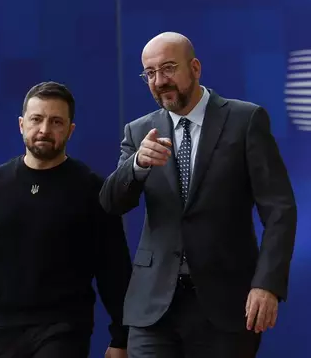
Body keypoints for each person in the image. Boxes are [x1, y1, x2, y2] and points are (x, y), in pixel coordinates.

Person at [99, 32, 297, 358]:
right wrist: (135, 166)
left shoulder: (245, 120)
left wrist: (268, 284)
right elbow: (111, 203)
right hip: (153, 308)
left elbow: (280, 210)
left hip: (225, 304)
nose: (159, 80)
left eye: (168, 69)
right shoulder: (139, 132)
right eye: (150, 73)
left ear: (195, 67)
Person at [0, 81, 133, 358]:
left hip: (66, 329)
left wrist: (121, 337)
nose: (45, 130)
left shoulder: (92, 189)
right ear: (22, 124)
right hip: (7, 330)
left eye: (56, 121)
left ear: (70, 130)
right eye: (37, 119)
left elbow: (114, 270)